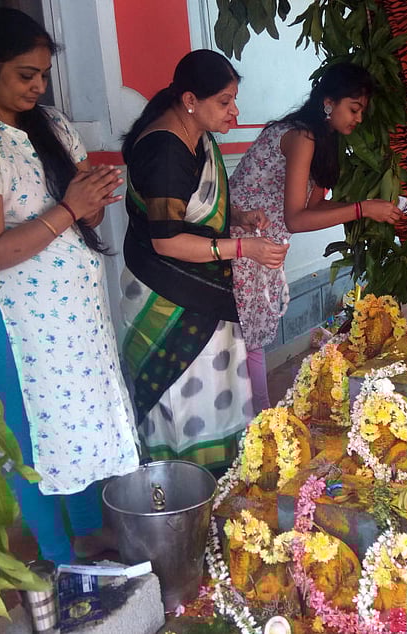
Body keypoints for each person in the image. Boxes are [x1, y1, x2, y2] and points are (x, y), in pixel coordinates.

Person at [0, 8, 139, 564]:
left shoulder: (50, 124)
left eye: (43, 75)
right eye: (25, 74)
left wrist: (92, 203)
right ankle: (58, 557)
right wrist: (69, 208)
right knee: (30, 436)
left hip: (71, 317)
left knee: (78, 417)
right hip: (11, 320)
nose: (38, 86)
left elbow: (83, 219)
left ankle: (88, 532)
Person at [119, 49, 288, 470]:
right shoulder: (165, 149)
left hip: (201, 290)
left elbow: (194, 207)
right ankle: (182, 491)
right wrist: (244, 248)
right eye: (225, 102)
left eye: (234, 100)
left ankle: (219, 486)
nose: (235, 111)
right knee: (183, 398)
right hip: (166, 296)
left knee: (217, 395)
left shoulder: (198, 136)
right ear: (190, 100)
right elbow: (167, 240)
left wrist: (239, 217)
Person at [229, 62, 402, 413]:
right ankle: (262, 427)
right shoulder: (302, 136)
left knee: (251, 344)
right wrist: (363, 209)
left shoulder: (321, 141)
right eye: (353, 109)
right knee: (249, 346)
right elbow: (296, 219)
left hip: (263, 250)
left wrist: (370, 206)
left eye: (361, 112)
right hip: (243, 244)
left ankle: (260, 427)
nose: (357, 119)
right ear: (328, 102)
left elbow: (314, 208)